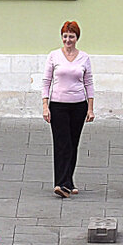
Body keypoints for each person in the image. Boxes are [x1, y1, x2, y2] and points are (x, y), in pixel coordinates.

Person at [42, 20, 95, 198]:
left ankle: (69, 182)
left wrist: (90, 108)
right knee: (61, 143)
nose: (68, 40)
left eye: (71, 36)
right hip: (58, 105)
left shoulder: (84, 58)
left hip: (79, 105)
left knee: (73, 144)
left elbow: (88, 83)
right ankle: (61, 183)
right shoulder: (54, 56)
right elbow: (46, 81)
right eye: (65, 36)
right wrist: (44, 105)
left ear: (77, 37)